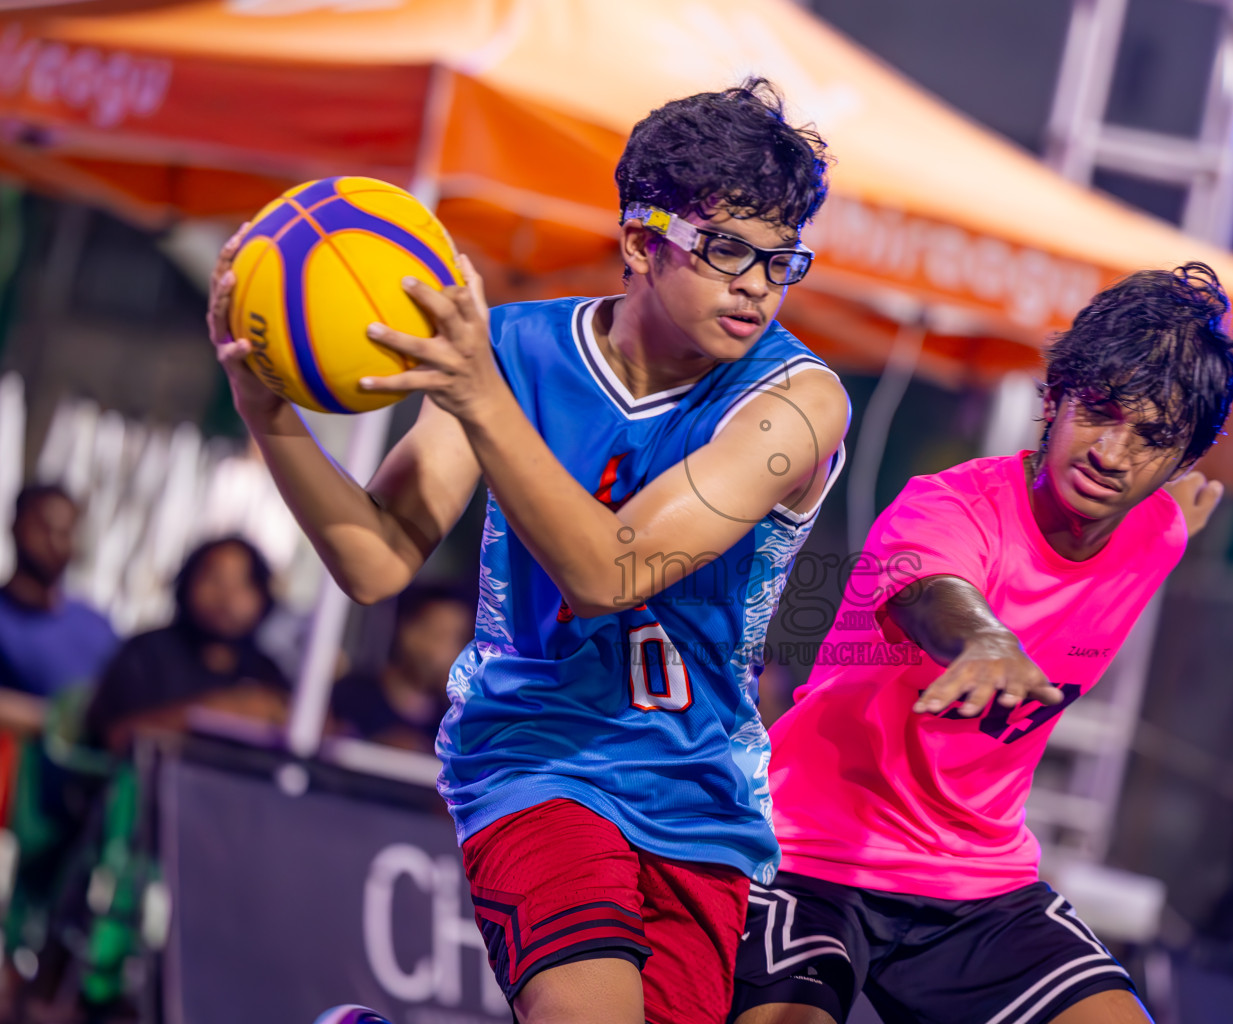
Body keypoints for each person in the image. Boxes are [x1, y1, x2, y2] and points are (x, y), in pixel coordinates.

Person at [206, 79, 848, 1024]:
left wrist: (479, 394)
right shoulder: (507, 350)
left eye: (780, 259)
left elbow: (609, 571)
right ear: (641, 240)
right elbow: (379, 562)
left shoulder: (798, 402)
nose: (756, 282)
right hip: (536, 755)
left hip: (701, 795)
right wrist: (268, 416)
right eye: (726, 250)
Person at [731, 263, 1233, 1024]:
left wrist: (1181, 514)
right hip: (812, 854)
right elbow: (931, 590)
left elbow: (1167, 519)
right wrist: (984, 640)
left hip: (978, 883)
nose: (1112, 453)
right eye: (1098, 412)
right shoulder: (945, 508)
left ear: (1186, 459)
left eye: (1152, 437)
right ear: (1053, 398)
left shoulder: (1155, 531)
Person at [85, 537, 289, 754]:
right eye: (215, 579)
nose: (227, 597)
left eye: (243, 583)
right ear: (187, 583)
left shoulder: (266, 672)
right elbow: (116, 738)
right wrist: (217, 713)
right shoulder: (147, 653)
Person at [0, 484, 118, 698]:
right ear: (14, 527)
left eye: (64, 533)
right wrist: (53, 719)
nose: (54, 543)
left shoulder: (97, 624)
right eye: (43, 529)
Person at [330, 582, 474, 753]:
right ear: (406, 632)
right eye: (437, 635)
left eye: (456, 640)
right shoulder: (347, 696)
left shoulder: (459, 726)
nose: (442, 652)